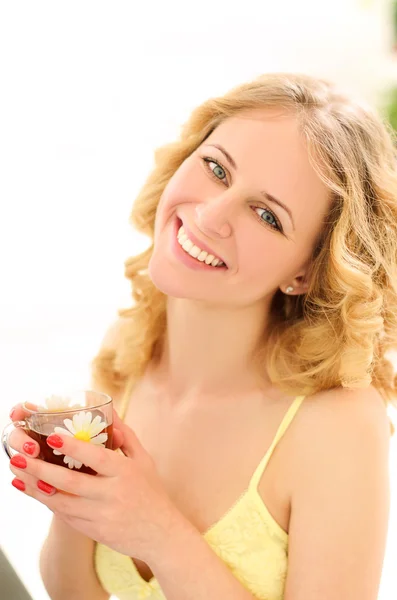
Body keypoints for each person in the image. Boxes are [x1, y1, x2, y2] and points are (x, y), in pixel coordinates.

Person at [8, 72, 396, 600]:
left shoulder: (336, 423)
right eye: (216, 169)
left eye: (266, 215)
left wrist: (157, 531)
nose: (211, 216)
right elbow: (73, 590)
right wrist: (70, 490)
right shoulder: (131, 348)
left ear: (306, 271)